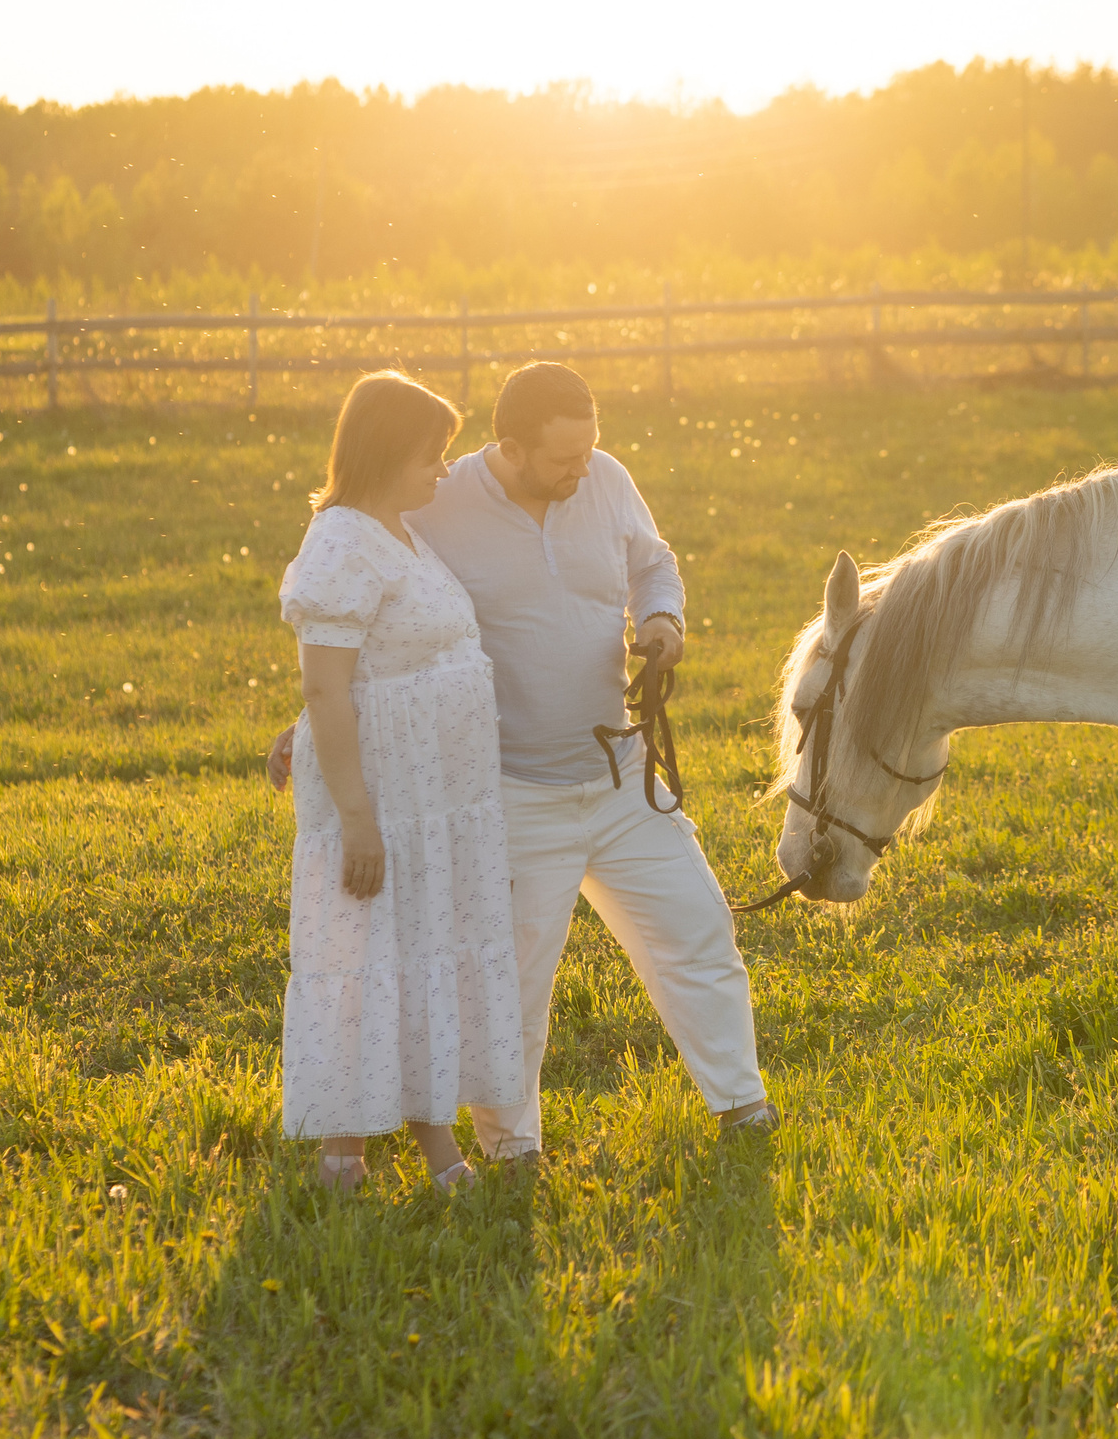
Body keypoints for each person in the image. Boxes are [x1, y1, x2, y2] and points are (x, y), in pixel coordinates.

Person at [271, 361, 775, 1161]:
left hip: (620, 770)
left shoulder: (605, 480)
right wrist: (307, 722)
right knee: (511, 981)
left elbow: (654, 561)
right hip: (511, 791)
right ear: (508, 445)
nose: (584, 467)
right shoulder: (437, 504)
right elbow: (357, 622)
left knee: (699, 928)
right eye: (564, 456)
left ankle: (742, 1105)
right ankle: (511, 1148)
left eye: (590, 450)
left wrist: (663, 617)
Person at [277, 373, 526, 1194]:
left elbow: (364, 667)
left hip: (434, 802)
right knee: (363, 959)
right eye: (433, 455)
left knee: (419, 957)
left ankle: (434, 1148)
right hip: (383, 802)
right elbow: (326, 685)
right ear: (389, 451)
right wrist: (357, 819)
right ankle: (343, 1157)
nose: (444, 472)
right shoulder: (343, 538)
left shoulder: (396, 532)